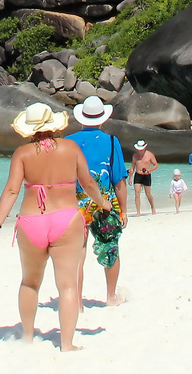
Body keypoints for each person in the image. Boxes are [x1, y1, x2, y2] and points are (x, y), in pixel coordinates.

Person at [0, 103, 110, 352]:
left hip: (31, 223)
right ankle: (66, 344)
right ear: (53, 125)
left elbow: (11, 190)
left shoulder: (22, 154)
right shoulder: (71, 148)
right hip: (66, 220)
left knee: (29, 283)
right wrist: (103, 203)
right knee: (67, 286)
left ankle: (28, 338)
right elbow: (87, 183)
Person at [67, 94, 127, 307]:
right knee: (110, 247)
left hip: (74, 204)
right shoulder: (112, 142)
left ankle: (77, 303)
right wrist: (124, 210)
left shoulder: (67, 142)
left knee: (77, 253)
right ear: (103, 119)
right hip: (106, 203)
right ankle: (110, 297)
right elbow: (119, 180)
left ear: (81, 119)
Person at [129, 140, 158, 215]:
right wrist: (130, 178)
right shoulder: (135, 156)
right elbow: (132, 167)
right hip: (138, 175)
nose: (140, 151)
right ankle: (138, 212)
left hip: (146, 175)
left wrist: (150, 170)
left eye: (141, 149)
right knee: (137, 192)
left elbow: (156, 165)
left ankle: (152, 207)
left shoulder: (150, 155)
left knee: (148, 194)